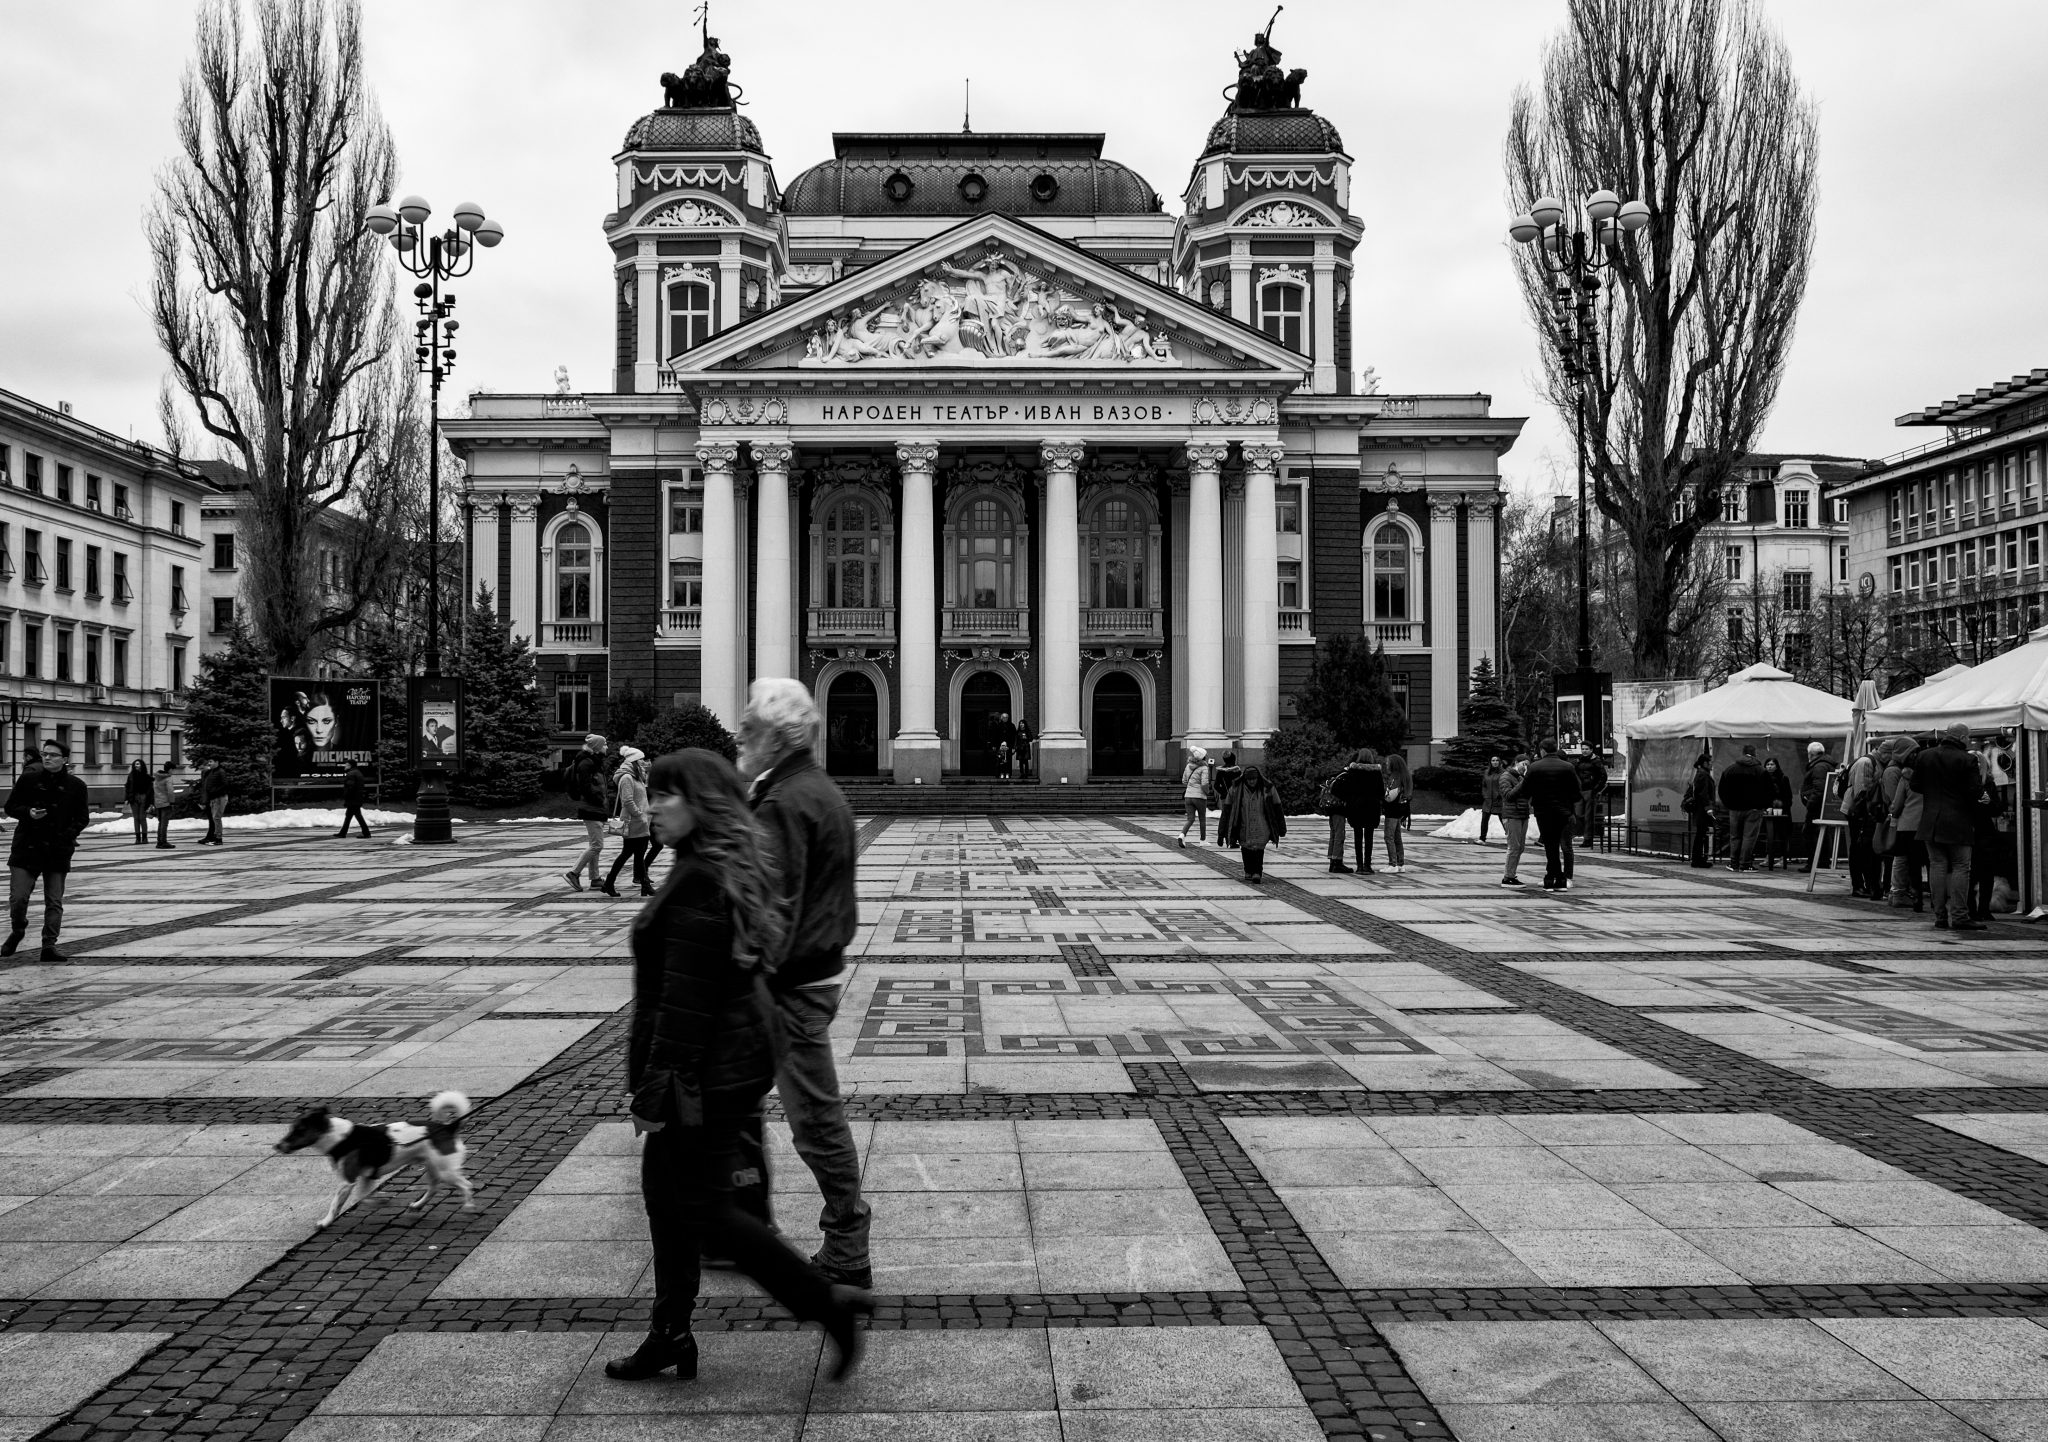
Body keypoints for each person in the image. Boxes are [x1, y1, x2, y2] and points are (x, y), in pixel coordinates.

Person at [606, 747, 867, 1386]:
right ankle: (670, 1333)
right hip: (726, 1062)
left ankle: (825, 1303)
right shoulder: (708, 864)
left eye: (666, 794)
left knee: (710, 1213)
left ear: (700, 804)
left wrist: (657, 1092)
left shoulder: (699, 878)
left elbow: (684, 1006)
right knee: (668, 1203)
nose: (652, 803)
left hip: (704, 1072)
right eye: (654, 792)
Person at [738, 678, 871, 1291]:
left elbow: (774, 905)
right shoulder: (816, 789)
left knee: (814, 1120)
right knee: (735, 1102)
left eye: (749, 727)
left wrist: (745, 970)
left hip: (787, 984)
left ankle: (846, 1242)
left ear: (778, 735)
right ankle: (742, 1223)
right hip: (809, 973)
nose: (740, 735)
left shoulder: (787, 800)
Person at [3, 738, 91, 962]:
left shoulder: (76, 785)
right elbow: (10, 807)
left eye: (53, 755)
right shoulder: (29, 779)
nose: (47, 758)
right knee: (18, 898)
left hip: (57, 849)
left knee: (54, 900)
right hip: (27, 847)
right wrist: (28, 813)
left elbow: (82, 818)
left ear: (64, 760)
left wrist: (67, 836)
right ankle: (18, 928)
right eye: (45, 754)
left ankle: (49, 945)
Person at [1911, 721, 1987, 932]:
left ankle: (1940, 916)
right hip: (1957, 822)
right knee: (1962, 867)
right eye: (1968, 737)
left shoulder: (1925, 756)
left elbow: (1915, 785)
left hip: (1930, 821)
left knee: (1937, 865)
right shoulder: (1967, 759)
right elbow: (1975, 790)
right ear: (1962, 738)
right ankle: (1960, 915)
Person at [1520, 739, 1583, 891]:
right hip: (1563, 811)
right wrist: (1568, 804)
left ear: (1542, 750)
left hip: (1543, 811)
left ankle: (1552, 879)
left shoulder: (1535, 767)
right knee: (1557, 843)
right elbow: (1576, 790)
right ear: (1555, 749)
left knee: (1550, 845)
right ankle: (1557, 878)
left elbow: (1525, 790)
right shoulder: (1568, 767)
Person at [1219, 764, 1286, 882]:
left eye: (1253, 779)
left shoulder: (1268, 788)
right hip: (1243, 825)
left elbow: (1277, 808)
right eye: (1249, 780)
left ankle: (1257, 872)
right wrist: (1221, 833)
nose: (1251, 782)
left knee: (1259, 849)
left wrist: (1281, 827)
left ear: (1258, 778)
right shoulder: (1235, 789)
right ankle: (1248, 870)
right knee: (1245, 847)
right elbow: (1227, 811)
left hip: (1262, 825)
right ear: (1245, 779)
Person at [603, 747, 654, 897]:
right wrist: (640, 815)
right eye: (641, 760)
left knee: (637, 854)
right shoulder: (627, 777)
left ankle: (642, 885)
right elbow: (627, 801)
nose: (644, 762)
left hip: (641, 822)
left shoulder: (636, 776)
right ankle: (610, 883)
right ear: (634, 761)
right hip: (634, 821)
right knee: (628, 854)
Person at [564, 734, 611, 892]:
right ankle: (574, 873)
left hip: (596, 808)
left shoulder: (593, 762)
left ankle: (595, 878)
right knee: (597, 845)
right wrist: (598, 799)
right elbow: (586, 787)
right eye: (604, 745)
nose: (606, 747)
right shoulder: (586, 763)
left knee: (594, 845)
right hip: (591, 808)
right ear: (597, 747)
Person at [1884, 736, 1927, 909]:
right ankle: (1935, 900)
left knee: (1910, 863)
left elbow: (1896, 805)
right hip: (1926, 824)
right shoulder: (1928, 776)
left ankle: (1914, 897)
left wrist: (1894, 811)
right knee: (1932, 862)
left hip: (1907, 825)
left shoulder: (1904, 777)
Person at [1717, 744, 1771, 872]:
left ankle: (1733, 863)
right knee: (1749, 837)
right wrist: (1762, 805)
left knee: (1735, 836)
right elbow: (1769, 791)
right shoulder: (1761, 770)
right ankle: (1745, 864)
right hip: (1754, 809)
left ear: (1743, 753)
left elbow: (1722, 790)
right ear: (1755, 754)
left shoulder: (1730, 769)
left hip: (1734, 809)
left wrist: (1728, 804)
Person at [1331, 748, 1385, 873]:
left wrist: (1350, 799)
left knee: (1358, 836)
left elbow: (1344, 789)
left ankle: (1359, 866)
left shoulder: (1353, 771)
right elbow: (1381, 792)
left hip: (1356, 807)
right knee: (1369, 837)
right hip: (1372, 807)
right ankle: (1368, 865)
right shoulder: (1376, 772)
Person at [1843, 741, 1883, 898]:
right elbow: (1862, 791)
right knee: (1859, 848)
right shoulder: (1866, 762)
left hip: (1865, 812)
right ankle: (1858, 885)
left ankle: (1867, 884)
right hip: (1859, 812)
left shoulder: (1876, 761)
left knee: (1864, 848)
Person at [1797, 742, 1835, 873]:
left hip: (1817, 806)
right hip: (1823, 805)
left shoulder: (1819, 766)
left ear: (1811, 754)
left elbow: (1819, 789)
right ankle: (1823, 861)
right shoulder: (1826, 764)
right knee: (1823, 833)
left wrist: (1810, 803)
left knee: (1810, 833)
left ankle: (1813, 863)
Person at [1498, 754, 1533, 887]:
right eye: (1523, 764)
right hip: (1512, 815)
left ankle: (1512, 875)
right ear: (1516, 762)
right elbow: (1508, 795)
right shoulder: (1505, 776)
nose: (1525, 767)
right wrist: (1524, 782)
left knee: (1520, 847)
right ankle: (1508, 877)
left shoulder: (1521, 777)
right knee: (1514, 847)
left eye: (1527, 765)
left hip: (1523, 814)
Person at [1681, 752, 1717, 868]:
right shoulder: (1703, 775)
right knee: (1700, 834)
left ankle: (1698, 858)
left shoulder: (1701, 773)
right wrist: (1709, 808)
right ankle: (1697, 859)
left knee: (1700, 834)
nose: (1712, 765)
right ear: (1705, 763)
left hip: (1700, 810)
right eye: (1710, 762)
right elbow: (1704, 794)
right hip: (1702, 810)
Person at [1381, 752, 1413, 874]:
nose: (1387, 765)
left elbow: (1389, 797)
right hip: (1401, 810)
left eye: (1388, 763)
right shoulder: (1405, 776)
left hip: (1392, 811)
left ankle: (1392, 864)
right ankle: (1400, 863)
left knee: (1389, 837)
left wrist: (1383, 794)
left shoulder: (1395, 777)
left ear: (1394, 764)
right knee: (1397, 838)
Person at [1760, 758, 1794, 869]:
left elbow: (1788, 797)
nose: (1769, 766)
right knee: (1769, 835)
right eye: (1767, 764)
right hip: (1767, 811)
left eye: (1772, 764)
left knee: (1782, 834)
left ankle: (1782, 857)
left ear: (1777, 766)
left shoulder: (1783, 778)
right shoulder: (1762, 778)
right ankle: (1769, 856)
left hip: (1782, 812)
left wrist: (1780, 805)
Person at [1177, 747, 1214, 848]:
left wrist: (1191, 786)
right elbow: (1204, 783)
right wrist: (1207, 792)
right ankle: (1203, 840)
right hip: (1199, 797)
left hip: (1188, 796)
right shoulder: (1204, 768)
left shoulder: (1188, 766)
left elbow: (1184, 781)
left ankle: (1182, 835)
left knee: (1190, 819)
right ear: (1203, 757)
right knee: (1202, 819)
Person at [1573, 747, 1608, 847]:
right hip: (1581, 790)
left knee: (1589, 816)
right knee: (1579, 814)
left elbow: (1603, 776)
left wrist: (1596, 789)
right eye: (1583, 748)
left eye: (1586, 749)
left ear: (1591, 750)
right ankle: (1584, 835)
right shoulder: (1578, 761)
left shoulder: (1596, 761)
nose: (1584, 751)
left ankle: (1588, 839)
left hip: (1590, 790)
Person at [195, 759, 231, 846]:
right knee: (215, 818)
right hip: (213, 798)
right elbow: (206, 786)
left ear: (217, 762)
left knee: (216, 818)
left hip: (219, 797)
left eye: (211, 762)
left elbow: (225, 784)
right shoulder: (211, 772)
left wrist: (214, 791)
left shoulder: (220, 772)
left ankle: (218, 838)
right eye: (209, 762)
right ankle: (214, 837)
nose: (209, 763)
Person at [1211, 751, 1244, 845]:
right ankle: (1231, 840)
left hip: (1224, 797)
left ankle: (1221, 836)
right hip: (1235, 797)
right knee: (1234, 818)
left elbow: (1216, 785)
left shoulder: (1220, 771)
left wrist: (1224, 792)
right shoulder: (1237, 771)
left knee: (1224, 816)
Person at [336, 763, 372, 839]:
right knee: (349, 816)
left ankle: (366, 833)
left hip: (353, 799)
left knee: (357, 816)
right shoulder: (358, 772)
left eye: (346, 765)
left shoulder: (351, 774)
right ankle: (343, 833)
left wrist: (346, 796)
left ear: (350, 766)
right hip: (357, 798)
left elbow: (350, 787)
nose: (344, 766)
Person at [151, 761, 180, 849]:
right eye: (173, 770)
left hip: (158, 803)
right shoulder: (168, 778)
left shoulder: (157, 777)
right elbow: (170, 791)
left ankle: (159, 841)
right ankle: (163, 841)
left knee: (160, 823)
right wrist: (172, 802)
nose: (173, 772)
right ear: (170, 769)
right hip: (166, 803)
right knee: (164, 823)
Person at [123, 760, 153, 845]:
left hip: (143, 798)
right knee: (136, 818)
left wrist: (150, 801)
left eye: (138, 764)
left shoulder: (146, 777)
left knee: (142, 818)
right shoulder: (131, 776)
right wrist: (126, 798)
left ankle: (144, 838)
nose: (136, 765)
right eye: (135, 764)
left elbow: (150, 790)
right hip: (134, 798)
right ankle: (137, 838)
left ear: (142, 765)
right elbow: (127, 787)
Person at [1479, 757, 1505, 843]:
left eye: (1497, 760)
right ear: (1490, 762)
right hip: (1488, 800)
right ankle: (1482, 838)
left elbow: (1505, 785)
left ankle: (1511, 839)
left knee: (1504, 820)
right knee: (1484, 819)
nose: (1495, 762)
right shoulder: (1487, 772)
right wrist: (1485, 795)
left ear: (1500, 762)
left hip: (1498, 801)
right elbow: (1484, 785)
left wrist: (1500, 795)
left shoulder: (1503, 773)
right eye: (1493, 760)